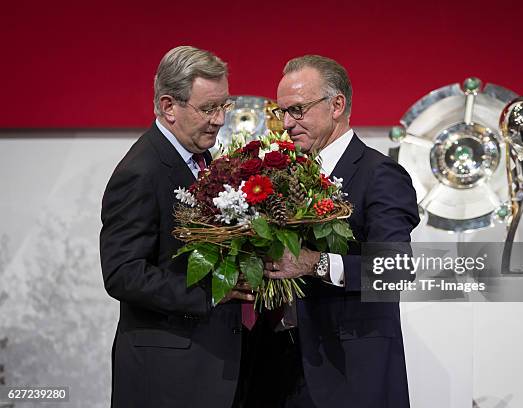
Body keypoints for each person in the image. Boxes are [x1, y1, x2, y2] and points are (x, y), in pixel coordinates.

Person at [100, 45, 253, 407]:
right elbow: (122, 273)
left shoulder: (202, 159)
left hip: (210, 366)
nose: (219, 119)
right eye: (208, 108)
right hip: (167, 376)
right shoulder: (140, 171)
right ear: (169, 106)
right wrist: (212, 292)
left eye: (224, 106)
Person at [263, 55, 420, 407]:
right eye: (281, 111)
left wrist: (314, 263)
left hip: (350, 374)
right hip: (281, 372)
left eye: (298, 110)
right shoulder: (280, 174)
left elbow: (395, 269)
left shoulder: (379, 174)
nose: (287, 123)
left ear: (337, 105)